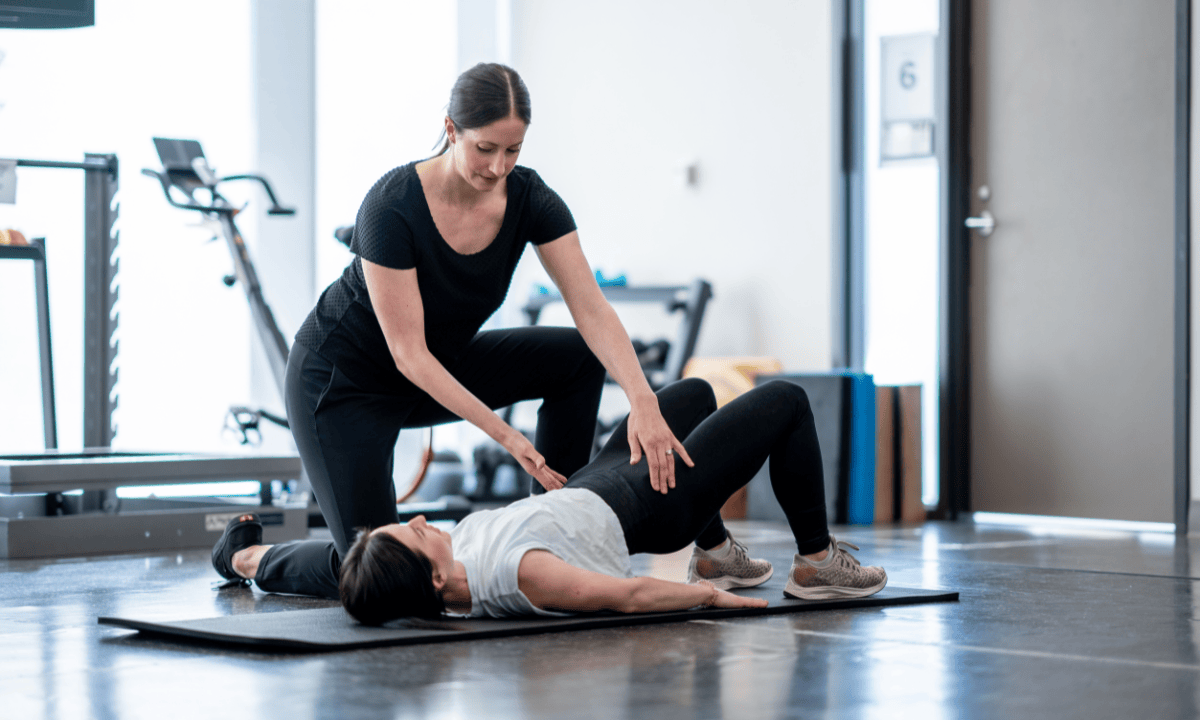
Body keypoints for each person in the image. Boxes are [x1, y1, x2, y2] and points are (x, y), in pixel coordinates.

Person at [210, 63, 769, 599]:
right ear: (451, 130)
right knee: (380, 565)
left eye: (513, 150)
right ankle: (247, 557)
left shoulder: (530, 199)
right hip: (343, 382)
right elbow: (408, 356)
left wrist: (644, 400)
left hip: (439, 366)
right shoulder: (391, 205)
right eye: (485, 148)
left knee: (576, 357)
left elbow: (591, 309)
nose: (499, 166)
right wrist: (507, 436)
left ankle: (549, 530)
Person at [337, 378, 888, 623]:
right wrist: (708, 600)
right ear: (432, 580)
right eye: (411, 533)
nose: (419, 518)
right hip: (653, 506)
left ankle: (718, 552)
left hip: (592, 482)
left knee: (691, 395)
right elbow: (626, 597)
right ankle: (818, 563)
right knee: (787, 402)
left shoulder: (440, 566)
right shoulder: (513, 573)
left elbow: (363, 581)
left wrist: (253, 559)